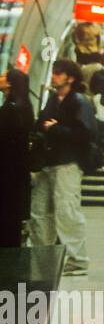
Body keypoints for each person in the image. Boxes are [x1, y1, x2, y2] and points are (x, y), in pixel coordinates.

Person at [31, 60, 95, 275]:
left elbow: (85, 135)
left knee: (67, 212)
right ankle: (45, 257)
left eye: (59, 73)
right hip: (48, 163)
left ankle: (78, 261)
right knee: (40, 212)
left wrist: (56, 129)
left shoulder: (80, 102)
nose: (54, 76)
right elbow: (41, 124)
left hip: (68, 164)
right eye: (54, 72)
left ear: (71, 78)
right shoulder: (52, 99)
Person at [0, 67, 34, 248]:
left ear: (10, 84)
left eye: (4, 76)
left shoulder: (10, 110)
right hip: (17, 172)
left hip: (6, 171)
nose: (0, 78)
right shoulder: (25, 107)